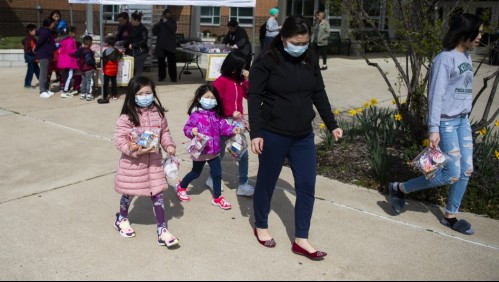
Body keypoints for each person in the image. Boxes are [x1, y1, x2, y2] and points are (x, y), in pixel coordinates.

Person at [248, 15, 343, 260]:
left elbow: (318, 92)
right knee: (267, 182)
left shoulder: (309, 58)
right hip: (274, 134)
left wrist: (331, 124)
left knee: (306, 185)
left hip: (303, 136)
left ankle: (301, 238)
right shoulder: (266, 61)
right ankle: (261, 225)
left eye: (305, 42)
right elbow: (255, 98)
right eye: (296, 42)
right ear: (283, 38)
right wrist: (256, 133)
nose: (301, 47)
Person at [389, 13, 483, 236]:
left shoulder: (467, 57)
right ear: (465, 31)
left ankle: (450, 215)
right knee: (451, 173)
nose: (481, 36)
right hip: (447, 123)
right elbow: (435, 96)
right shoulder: (444, 58)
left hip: (462, 121)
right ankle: (400, 188)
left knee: (466, 170)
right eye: (478, 32)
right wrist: (434, 128)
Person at [113, 76, 179, 248]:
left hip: (155, 163)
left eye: (148, 92)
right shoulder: (127, 116)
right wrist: (133, 150)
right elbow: (119, 140)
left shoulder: (158, 112)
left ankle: (162, 230)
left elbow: (164, 132)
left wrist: (169, 145)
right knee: (128, 192)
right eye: (140, 93)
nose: (145, 96)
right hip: (134, 165)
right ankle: (121, 218)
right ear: (132, 94)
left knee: (158, 194)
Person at [176, 85, 241, 210]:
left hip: (214, 152)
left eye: (212, 98)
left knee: (217, 174)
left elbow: (224, 127)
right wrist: (192, 131)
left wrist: (233, 129)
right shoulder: (195, 115)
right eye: (207, 97)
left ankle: (217, 197)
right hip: (200, 151)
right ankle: (181, 186)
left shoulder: (217, 115)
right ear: (199, 98)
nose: (210, 100)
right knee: (195, 173)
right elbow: (187, 128)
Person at [210, 51, 254, 197]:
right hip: (223, 122)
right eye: (241, 67)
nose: (242, 70)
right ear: (232, 66)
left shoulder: (240, 81)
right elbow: (214, 103)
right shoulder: (220, 81)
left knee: (243, 153)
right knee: (220, 152)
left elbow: (250, 96)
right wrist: (230, 112)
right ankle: (212, 177)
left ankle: (243, 184)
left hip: (237, 124)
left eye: (244, 67)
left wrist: (247, 80)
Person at [153, 8, 178, 83]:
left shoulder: (173, 21)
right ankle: (161, 76)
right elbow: (154, 32)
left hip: (170, 46)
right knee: (161, 63)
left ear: (170, 15)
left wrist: (166, 22)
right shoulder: (160, 22)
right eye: (165, 14)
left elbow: (173, 29)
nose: (166, 15)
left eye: (168, 14)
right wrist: (156, 24)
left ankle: (173, 77)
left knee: (171, 63)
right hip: (161, 46)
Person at [35, 17, 56, 98]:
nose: (54, 24)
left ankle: (46, 89)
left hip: (48, 54)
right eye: (53, 23)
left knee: (47, 73)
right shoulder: (44, 32)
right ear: (49, 23)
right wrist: (36, 49)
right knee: (43, 73)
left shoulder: (48, 32)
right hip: (44, 55)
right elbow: (39, 42)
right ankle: (42, 90)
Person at [99, 36, 123, 104]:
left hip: (107, 70)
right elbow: (120, 56)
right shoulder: (116, 51)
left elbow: (104, 61)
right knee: (114, 83)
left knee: (105, 84)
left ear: (107, 44)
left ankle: (105, 95)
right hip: (114, 71)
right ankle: (114, 95)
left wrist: (98, 64)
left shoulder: (106, 51)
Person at [57, 26, 78, 98]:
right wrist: (76, 51)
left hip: (64, 61)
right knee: (69, 76)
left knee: (66, 76)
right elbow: (70, 50)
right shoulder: (71, 40)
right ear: (71, 33)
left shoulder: (63, 41)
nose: (75, 34)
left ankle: (66, 89)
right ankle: (65, 91)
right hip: (69, 61)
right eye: (74, 33)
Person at [75, 35, 96, 101]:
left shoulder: (81, 49)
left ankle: (83, 94)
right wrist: (94, 62)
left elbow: (76, 54)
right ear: (90, 43)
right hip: (88, 68)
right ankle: (88, 94)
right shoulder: (88, 51)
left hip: (82, 68)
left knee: (83, 81)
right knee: (89, 81)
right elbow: (89, 61)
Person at [129, 11, 149, 77]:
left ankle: (139, 84)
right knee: (134, 69)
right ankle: (136, 83)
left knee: (138, 69)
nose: (130, 21)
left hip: (141, 52)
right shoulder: (134, 28)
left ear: (137, 20)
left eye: (132, 19)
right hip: (135, 51)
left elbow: (144, 40)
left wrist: (133, 45)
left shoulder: (143, 29)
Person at [22, 24, 40, 89]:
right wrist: (33, 52)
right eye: (35, 30)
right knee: (30, 70)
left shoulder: (33, 39)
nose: (36, 31)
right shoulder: (28, 39)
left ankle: (42, 81)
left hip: (33, 57)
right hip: (30, 57)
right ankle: (27, 84)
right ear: (30, 31)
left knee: (37, 69)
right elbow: (27, 49)